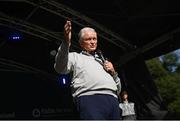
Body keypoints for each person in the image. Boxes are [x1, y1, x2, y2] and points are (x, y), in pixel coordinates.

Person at [54, 20, 121, 120]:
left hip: (113, 100)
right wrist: (66, 42)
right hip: (90, 98)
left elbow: (118, 89)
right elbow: (60, 68)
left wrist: (113, 72)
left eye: (94, 39)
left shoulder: (104, 61)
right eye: (88, 39)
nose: (93, 42)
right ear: (81, 43)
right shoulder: (75, 57)